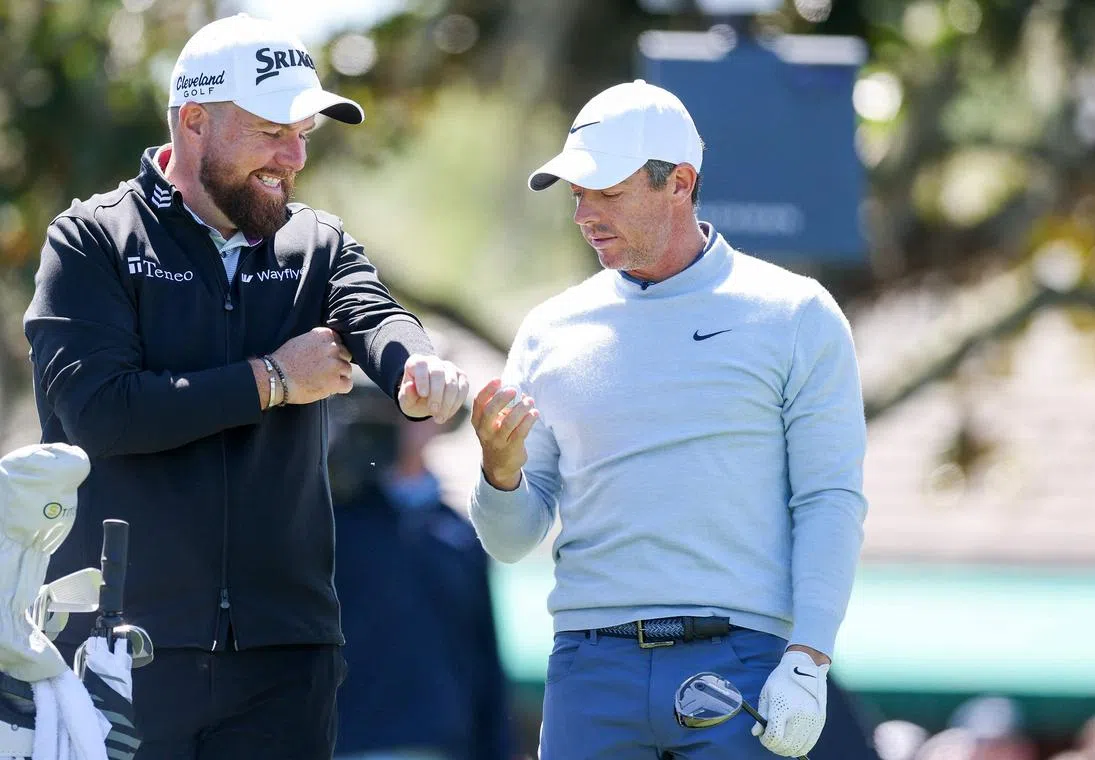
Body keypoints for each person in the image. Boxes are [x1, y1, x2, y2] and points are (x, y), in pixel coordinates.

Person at [22, 14, 468, 760]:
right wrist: (270, 381)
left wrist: (416, 366)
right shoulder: (92, 238)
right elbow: (100, 412)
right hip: (116, 647)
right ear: (195, 121)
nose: (293, 157)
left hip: (284, 657)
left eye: (303, 135)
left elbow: (375, 314)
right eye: (271, 131)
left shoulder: (316, 243)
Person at [468, 79, 868, 759]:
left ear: (679, 182)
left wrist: (809, 657)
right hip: (588, 670)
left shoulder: (795, 314)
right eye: (577, 196)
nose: (585, 214)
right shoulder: (548, 330)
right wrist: (498, 474)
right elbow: (510, 540)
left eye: (608, 193)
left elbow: (829, 497)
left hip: (740, 661)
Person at [329, 369, 511, 760]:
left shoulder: (460, 535)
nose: (404, 419)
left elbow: (485, 657)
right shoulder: (329, 525)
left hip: (443, 744)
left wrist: (499, 747)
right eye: (392, 407)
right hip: (346, 741)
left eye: (417, 408)